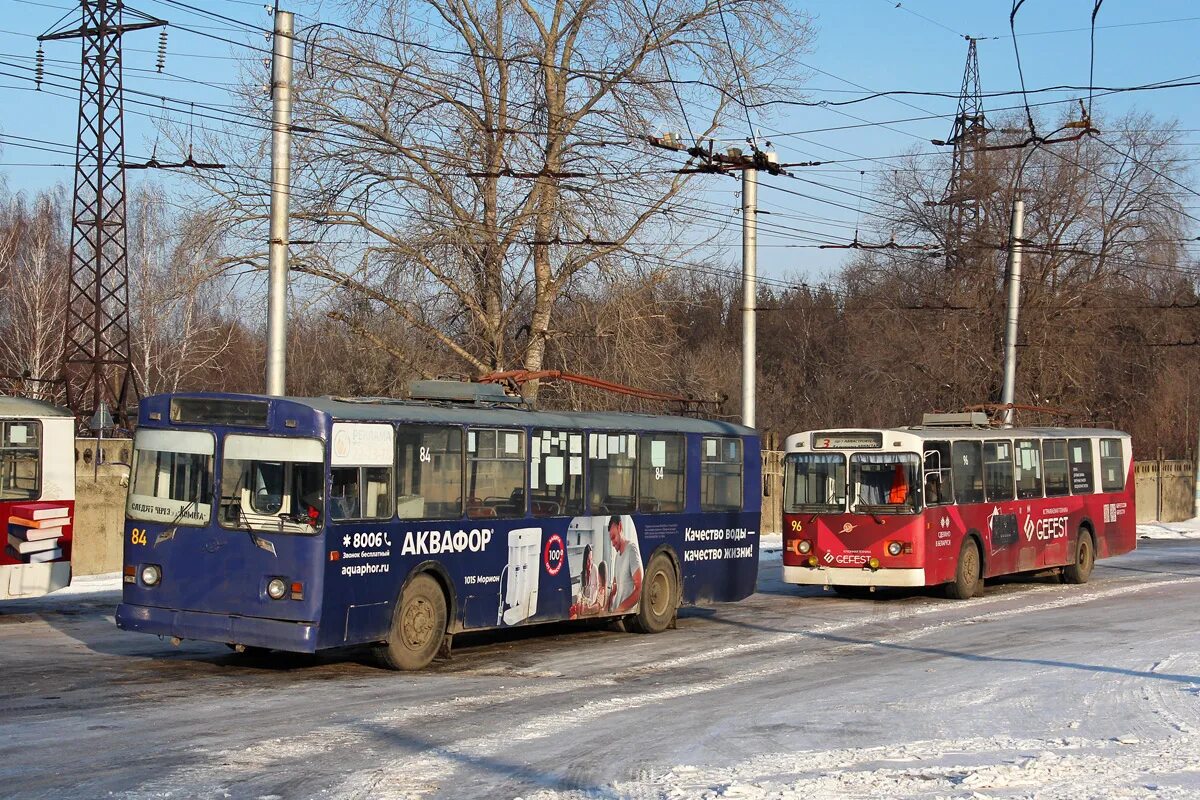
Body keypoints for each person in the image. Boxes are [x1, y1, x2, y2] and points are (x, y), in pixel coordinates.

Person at [606, 515, 642, 613]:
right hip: (616, 612)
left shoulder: (631, 550)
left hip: (625, 613)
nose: (612, 543)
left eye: (613, 537)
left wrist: (619, 610)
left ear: (620, 527)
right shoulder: (617, 557)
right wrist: (606, 605)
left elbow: (639, 589)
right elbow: (614, 588)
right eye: (611, 540)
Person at [570, 544, 601, 618]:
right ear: (585, 560)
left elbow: (595, 588)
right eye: (588, 560)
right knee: (576, 610)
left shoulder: (595, 569)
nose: (590, 562)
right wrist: (579, 598)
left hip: (592, 601)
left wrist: (591, 602)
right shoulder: (582, 573)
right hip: (585, 602)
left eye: (591, 559)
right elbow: (580, 591)